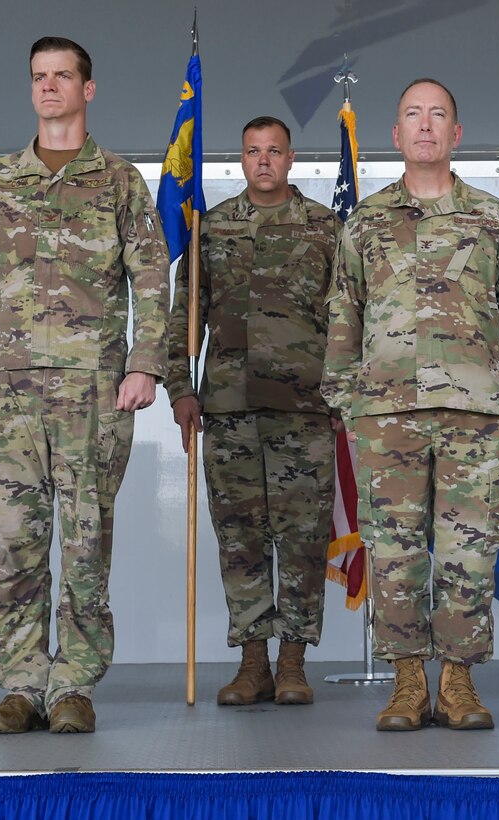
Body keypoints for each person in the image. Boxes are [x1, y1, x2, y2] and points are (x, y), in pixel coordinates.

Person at [0, 36, 170, 734]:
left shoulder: (120, 181)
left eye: (62, 77)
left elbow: (152, 277)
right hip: (13, 393)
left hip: (95, 391)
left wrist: (146, 363)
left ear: (88, 89)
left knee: (85, 542)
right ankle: (21, 684)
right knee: (13, 540)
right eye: (39, 78)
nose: (49, 88)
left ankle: (72, 684)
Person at [322, 78, 499, 731]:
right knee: (394, 551)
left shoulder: (491, 217)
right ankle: (408, 682)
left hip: (474, 412)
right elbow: (342, 314)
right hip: (385, 414)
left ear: (455, 134)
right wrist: (343, 400)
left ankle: (460, 683)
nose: (424, 125)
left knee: (469, 550)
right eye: (412, 115)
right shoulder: (366, 222)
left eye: (437, 114)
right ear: (396, 135)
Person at [165, 116, 339, 707]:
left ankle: (293, 661)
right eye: (252, 152)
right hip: (229, 405)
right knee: (239, 536)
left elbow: (350, 315)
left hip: (305, 405)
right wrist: (180, 390)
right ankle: (252, 662)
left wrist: (346, 393)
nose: (263, 161)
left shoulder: (325, 228)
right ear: (240, 160)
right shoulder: (210, 229)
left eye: (274, 151)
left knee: (302, 537)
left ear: (292, 159)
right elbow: (184, 315)